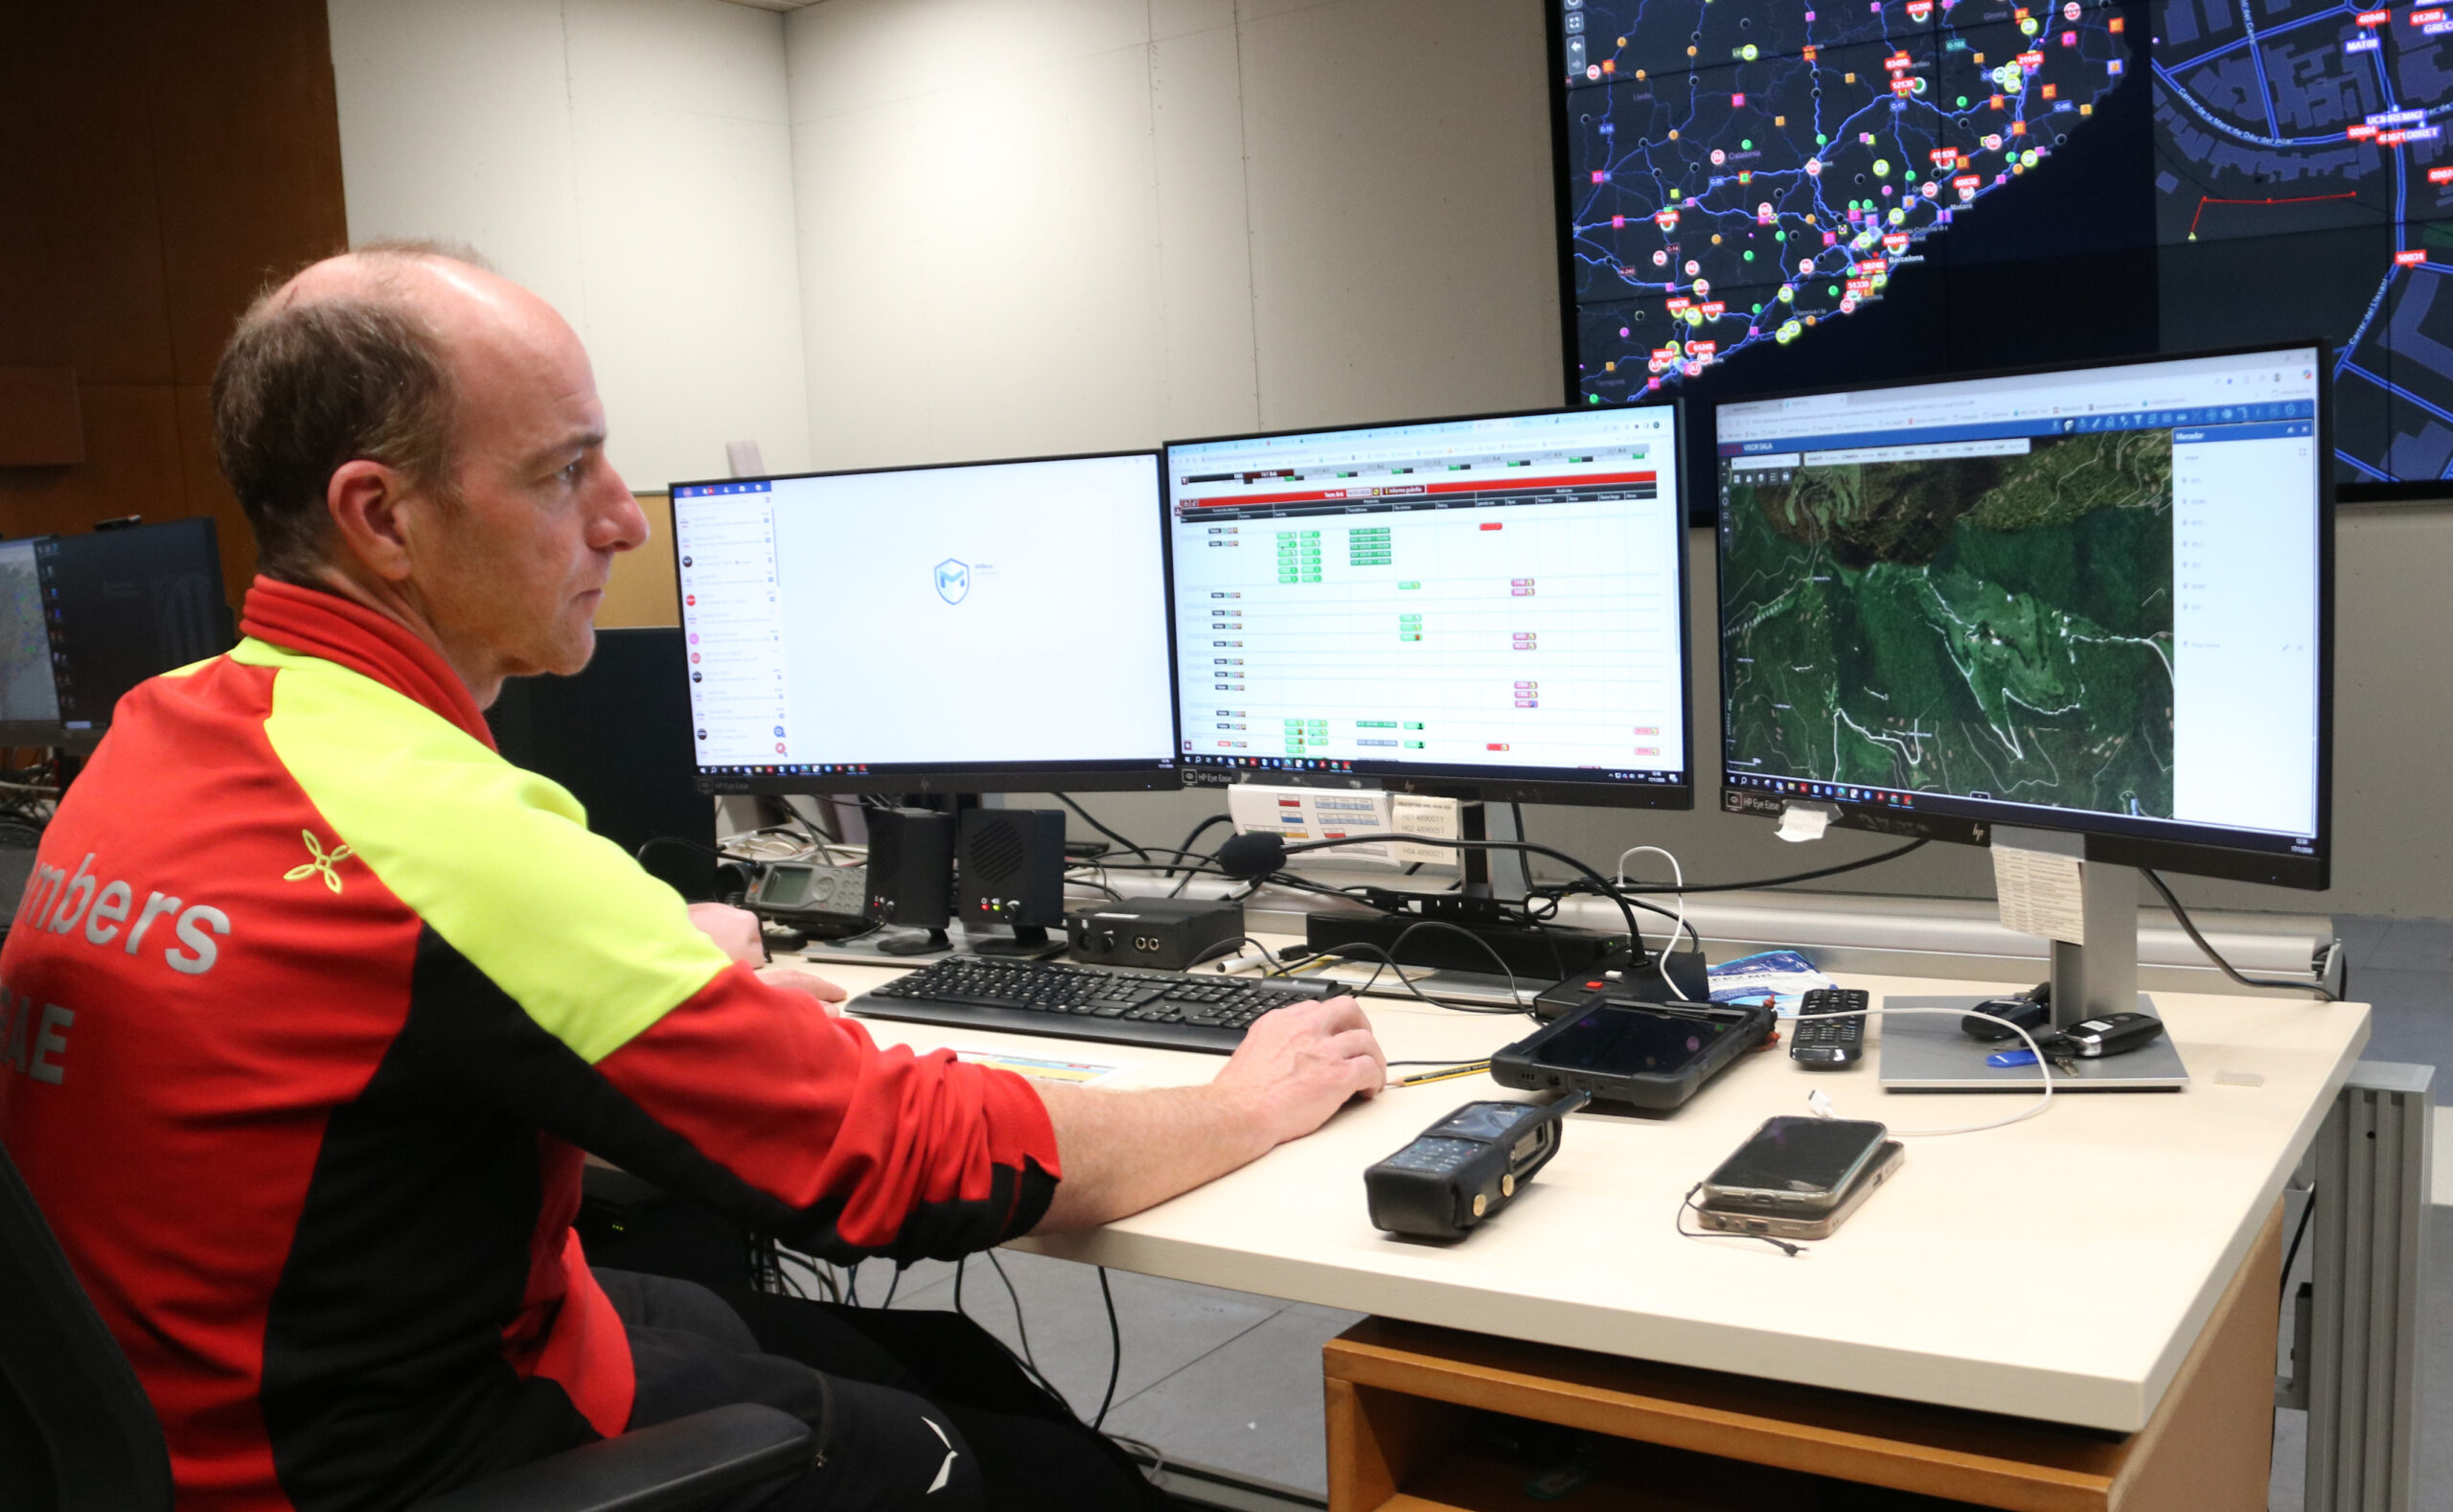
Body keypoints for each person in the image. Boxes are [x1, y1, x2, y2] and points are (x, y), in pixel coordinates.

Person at [0, 242, 1387, 1512]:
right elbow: (900, 1158)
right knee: (1017, 1472)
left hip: (201, 1410)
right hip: (375, 1466)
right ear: (381, 517)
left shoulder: (163, 730)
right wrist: (1237, 1103)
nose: (625, 521)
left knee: (875, 1345)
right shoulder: (437, 835)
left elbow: (352, 1017)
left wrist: (652, 986)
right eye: (564, 473)